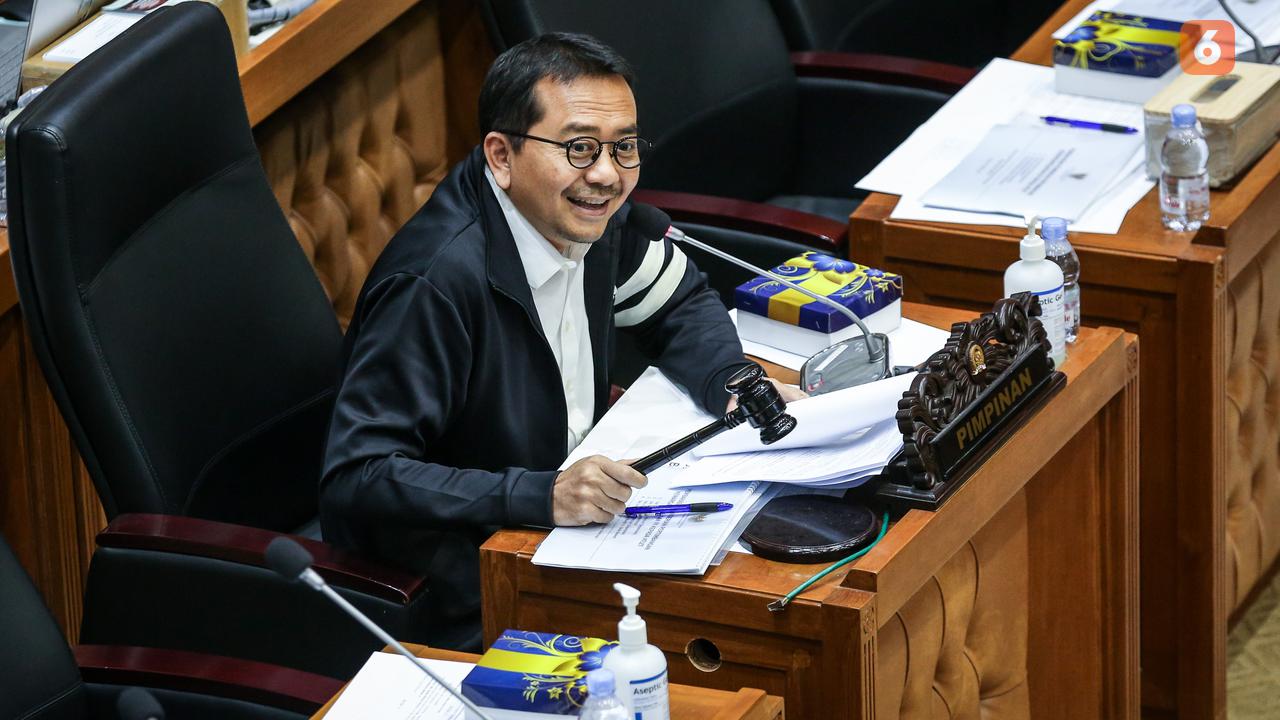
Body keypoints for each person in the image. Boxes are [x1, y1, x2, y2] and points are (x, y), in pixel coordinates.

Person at [320, 32, 801, 649]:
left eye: (624, 147)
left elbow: (678, 304)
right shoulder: (435, 284)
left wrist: (731, 383)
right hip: (474, 585)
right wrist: (541, 493)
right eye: (579, 148)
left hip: (585, 531)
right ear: (502, 155)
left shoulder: (594, 216)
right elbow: (359, 475)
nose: (607, 175)